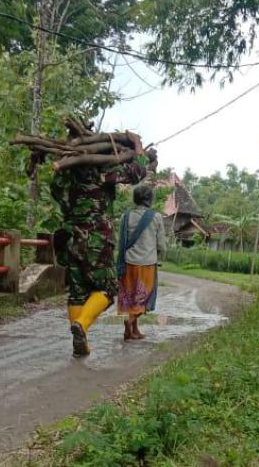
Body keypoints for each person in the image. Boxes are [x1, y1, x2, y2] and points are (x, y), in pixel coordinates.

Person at [50, 143, 156, 358]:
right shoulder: (102, 173)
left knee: (78, 294)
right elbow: (135, 173)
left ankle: (81, 341)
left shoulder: (63, 176)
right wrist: (139, 151)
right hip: (96, 241)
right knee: (107, 289)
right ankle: (81, 324)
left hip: (70, 239)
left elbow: (55, 191)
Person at [116, 184, 166, 340]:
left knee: (132, 298)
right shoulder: (156, 217)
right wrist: (160, 254)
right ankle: (129, 321)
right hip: (147, 265)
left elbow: (120, 242)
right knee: (144, 298)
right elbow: (161, 244)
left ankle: (134, 330)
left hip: (128, 264)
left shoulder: (126, 216)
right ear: (149, 199)